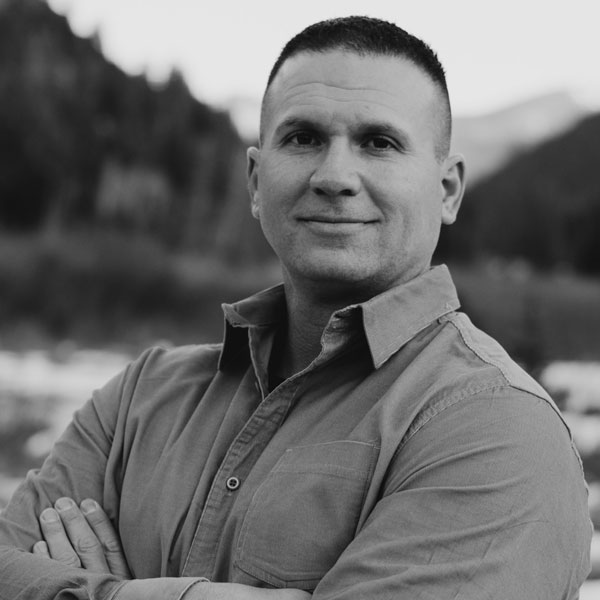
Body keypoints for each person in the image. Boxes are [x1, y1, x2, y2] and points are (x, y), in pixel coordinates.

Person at [0, 15, 592, 600]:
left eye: (378, 143)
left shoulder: (497, 431)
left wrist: (72, 589)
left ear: (447, 190)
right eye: (303, 138)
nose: (335, 176)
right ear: (257, 181)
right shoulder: (138, 400)